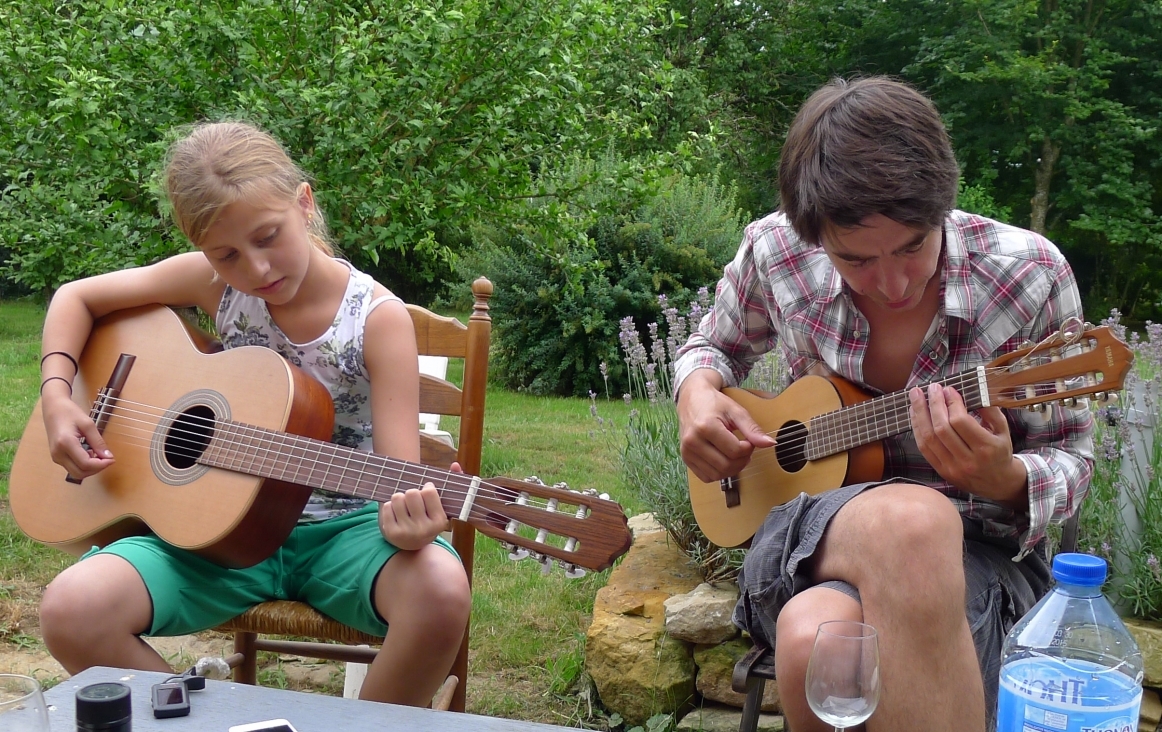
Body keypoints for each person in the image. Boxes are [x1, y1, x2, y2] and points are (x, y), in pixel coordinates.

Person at [674, 77, 1094, 732]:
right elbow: (711, 345)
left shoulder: (1028, 273)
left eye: (912, 247)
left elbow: (1071, 453)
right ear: (814, 237)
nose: (892, 282)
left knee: (818, 640)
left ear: (943, 207)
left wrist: (1007, 480)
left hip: (981, 552)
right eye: (856, 260)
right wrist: (697, 396)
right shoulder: (775, 252)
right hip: (804, 531)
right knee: (912, 521)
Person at [36, 121, 471, 707]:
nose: (257, 269)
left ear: (305, 202)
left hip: (343, 533)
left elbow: (399, 477)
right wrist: (59, 397)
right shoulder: (216, 287)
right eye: (228, 254)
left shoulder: (376, 318)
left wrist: (410, 519)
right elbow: (76, 296)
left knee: (441, 592)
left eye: (269, 237)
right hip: (214, 532)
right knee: (71, 609)